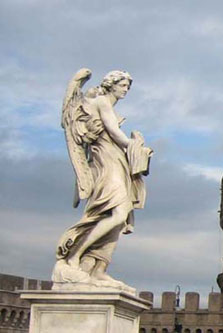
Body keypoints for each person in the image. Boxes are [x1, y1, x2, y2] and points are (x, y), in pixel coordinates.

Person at [53, 69, 152, 292]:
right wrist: (137, 147)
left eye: (128, 86)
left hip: (117, 161)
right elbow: (115, 134)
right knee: (116, 213)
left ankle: (98, 270)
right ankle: (74, 257)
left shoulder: (106, 105)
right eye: (123, 85)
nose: (126, 90)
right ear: (111, 84)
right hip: (105, 163)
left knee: (121, 215)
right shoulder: (101, 102)